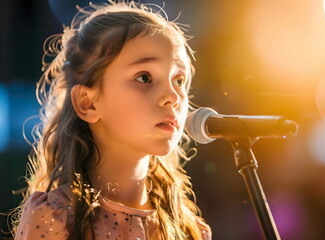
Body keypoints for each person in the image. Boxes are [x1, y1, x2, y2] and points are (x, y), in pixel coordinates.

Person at [12, 1, 211, 239]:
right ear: (88, 103)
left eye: (179, 80)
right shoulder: (55, 219)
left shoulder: (190, 229)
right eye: (145, 77)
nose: (172, 97)